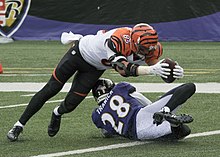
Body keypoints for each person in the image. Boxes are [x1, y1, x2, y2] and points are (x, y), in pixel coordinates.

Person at [7, 23, 184, 141]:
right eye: (144, 48)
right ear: (136, 42)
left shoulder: (152, 48)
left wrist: (173, 72)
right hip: (79, 54)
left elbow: (158, 70)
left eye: (150, 48)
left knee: (71, 104)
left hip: (94, 68)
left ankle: (57, 113)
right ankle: (18, 125)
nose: (147, 52)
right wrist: (152, 70)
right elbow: (123, 69)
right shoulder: (119, 39)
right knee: (51, 88)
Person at [91, 78, 195, 140]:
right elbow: (140, 98)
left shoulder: (96, 115)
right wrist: (157, 108)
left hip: (137, 134)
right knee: (189, 86)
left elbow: (107, 133)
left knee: (184, 131)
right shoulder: (120, 88)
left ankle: (174, 124)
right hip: (141, 115)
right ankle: (166, 110)